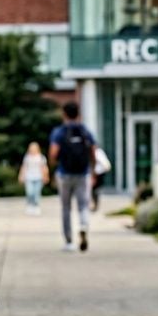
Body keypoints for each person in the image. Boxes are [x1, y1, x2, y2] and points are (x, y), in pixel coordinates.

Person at [49, 101, 98, 253]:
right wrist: (93, 170)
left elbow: (53, 153)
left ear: (64, 114)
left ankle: (69, 241)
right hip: (82, 174)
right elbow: (93, 152)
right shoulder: (85, 131)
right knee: (83, 205)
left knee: (66, 207)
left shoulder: (59, 132)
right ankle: (83, 226)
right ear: (78, 114)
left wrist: (53, 168)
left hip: (64, 173)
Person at [18, 142, 49, 216]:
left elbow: (44, 168)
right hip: (29, 177)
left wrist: (46, 176)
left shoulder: (41, 157)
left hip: (38, 177)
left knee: (36, 193)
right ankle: (30, 206)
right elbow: (24, 167)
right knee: (29, 192)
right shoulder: (27, 157)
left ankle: (36, 206)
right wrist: (21, 175)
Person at [91, 145, 112, 213]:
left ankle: (95, 205)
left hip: (97, 173)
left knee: (94, 190)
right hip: (98, 173)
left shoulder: (97, 152)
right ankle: (94, 204)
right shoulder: (99, 152)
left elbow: (105, 164)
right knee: (94, 190)